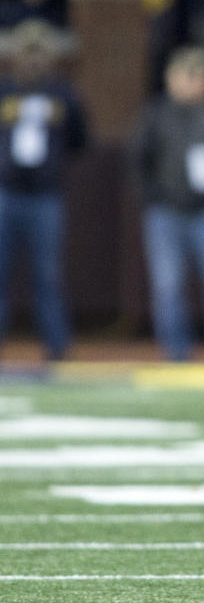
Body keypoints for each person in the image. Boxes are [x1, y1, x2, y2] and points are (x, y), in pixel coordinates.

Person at [129, 45, 204, 362]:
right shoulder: (156, 115)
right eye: (187, 75)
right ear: (171, 78)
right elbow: (139, 162)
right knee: (168, 288)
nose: (194, 83)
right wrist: (154, 200)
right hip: (166, 213)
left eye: (200, 76)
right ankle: (176, 355)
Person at [0, 19, 88, 361]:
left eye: (39, 53)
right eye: (27, 52)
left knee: (49, 277)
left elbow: (80, 139)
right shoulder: (4, 91)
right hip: (6, 192)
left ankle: (57, 346)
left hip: (45, 195)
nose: (32, 60)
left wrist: (52, 167)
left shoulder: (63, 94)